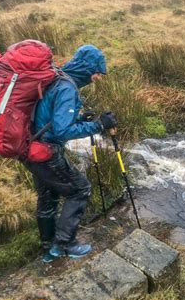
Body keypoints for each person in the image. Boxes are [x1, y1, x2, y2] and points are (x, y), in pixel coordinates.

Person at [23, 44, 118, 263]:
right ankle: (65, 244)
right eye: (96, 71)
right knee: (80, 189)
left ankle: (49, 249)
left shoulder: (57, 77)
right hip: (47, 152)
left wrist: (79, 118)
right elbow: (61, 130)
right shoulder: (67, 88)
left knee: (48, 197)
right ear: (86, 68)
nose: (97, 77)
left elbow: (51, 117)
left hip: (30, 148)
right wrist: (98, 126)